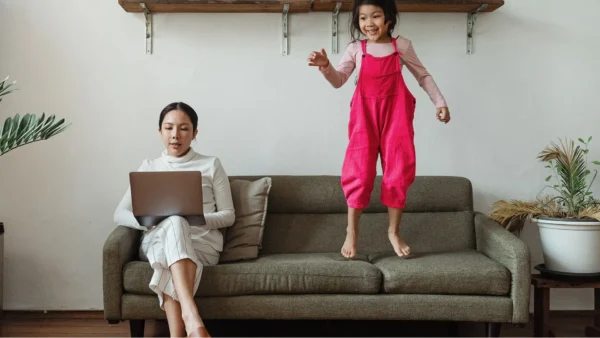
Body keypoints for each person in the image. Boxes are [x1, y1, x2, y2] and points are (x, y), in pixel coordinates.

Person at [307, 0, 451, 259]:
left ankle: (393, 232)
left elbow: (423, 76)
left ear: (388, 19)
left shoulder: (402, 47)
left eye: (375, 16)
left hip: (396, 119)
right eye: (363, 18)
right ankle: (352, 231)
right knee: (359, 175)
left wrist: (440, 102)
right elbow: (339, 81)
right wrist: (326, 66)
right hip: (364, 121)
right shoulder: (356, 49)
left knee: (397, 175)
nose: (369, 23)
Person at [113, 102, 235, 337]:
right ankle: (192, 317)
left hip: (202, 244)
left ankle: (179, 333)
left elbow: (228, 215)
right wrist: (150, 222)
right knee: (173, 224)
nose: (175, 135)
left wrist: (194, 219)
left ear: (195, 133)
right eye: (168, 128)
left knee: (176, 228)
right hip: (158, 238)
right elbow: (119, 213)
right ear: (160, 131)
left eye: (184, 128)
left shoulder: (211, 164)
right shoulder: (149, 167)